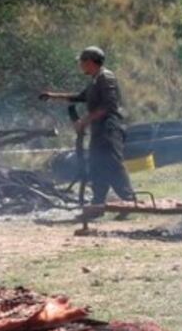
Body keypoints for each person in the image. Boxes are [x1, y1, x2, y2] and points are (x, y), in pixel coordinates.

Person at [40, 46, 135, 216]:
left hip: (110, 127)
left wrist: (84, 121)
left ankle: (129, 202)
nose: (80, 65)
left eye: (82, 62)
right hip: (99, 129)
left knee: (112, 164)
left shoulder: (106, 77)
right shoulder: (95, 79)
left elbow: (109, 106)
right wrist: (53, 96)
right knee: (97, 165)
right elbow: (80, 97)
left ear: (90, 62)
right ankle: (97, 206)